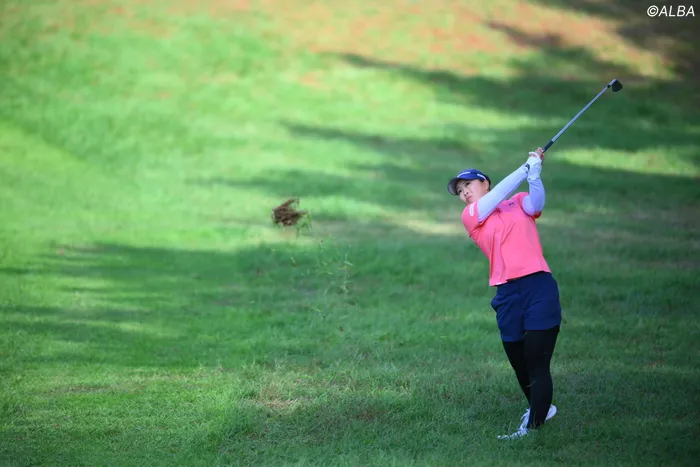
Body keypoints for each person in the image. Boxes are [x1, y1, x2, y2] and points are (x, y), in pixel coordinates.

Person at [447, 148, 562, 440]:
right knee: (518, 360)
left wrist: (534, 174)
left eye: (468, 185)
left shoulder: (518, 201)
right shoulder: (471, 216)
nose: (464, 193)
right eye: (459, 191)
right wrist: (525, 167)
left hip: (538, 286)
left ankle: (531, 428)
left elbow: (536, 203)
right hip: (507, 293)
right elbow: (498, 194)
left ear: (484, 183)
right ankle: (541, 408)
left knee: (536, 359)